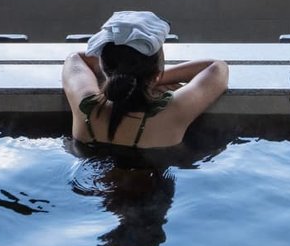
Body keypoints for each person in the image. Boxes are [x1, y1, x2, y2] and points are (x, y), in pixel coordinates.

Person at [62, 11, 228, 150]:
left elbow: (75, 58)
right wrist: (154, 80)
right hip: (151, 182)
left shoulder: (86, 106)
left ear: (104, 66)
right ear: (156, 70)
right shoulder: (174, 111)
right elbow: (217, 67)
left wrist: (127, 76)